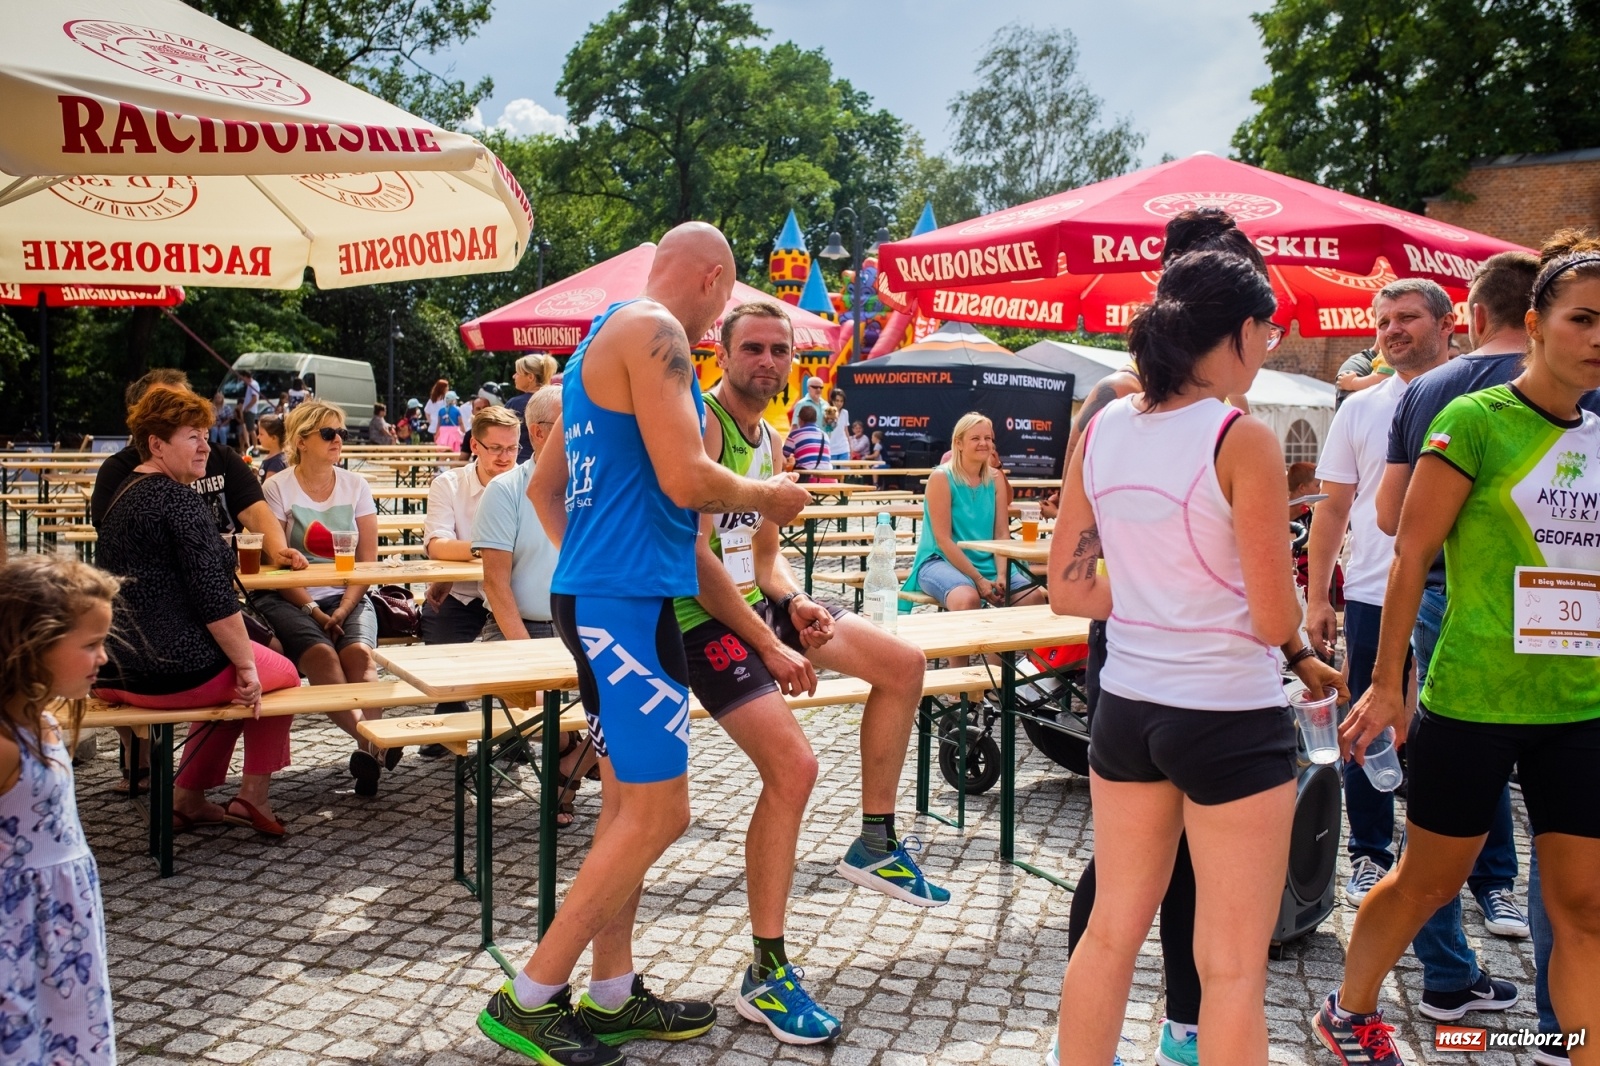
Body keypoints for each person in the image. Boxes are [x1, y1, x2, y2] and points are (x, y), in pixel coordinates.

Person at [483, 222, 811, 1065]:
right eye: (723, 306)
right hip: (624, 606)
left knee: (631, 810)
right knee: (662, 810)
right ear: (710, 278)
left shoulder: (600, 340)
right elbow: (687, 480)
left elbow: (548, 488)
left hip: (616, 595)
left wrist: (590, 565)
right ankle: (528, 998)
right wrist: (769, 495)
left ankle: (613, 992)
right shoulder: (656, 332)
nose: (713, 328)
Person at [1315, 242, 1600, 1066]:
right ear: (1537, 323)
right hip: (1475, 699)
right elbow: (1408, 553)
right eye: (1581, 319)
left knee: (1583, 908)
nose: (1596, 337)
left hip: (1580, 707)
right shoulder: (1472, 420)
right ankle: (1350, 1012)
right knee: (1429, 881)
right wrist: (1387, 685)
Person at [1048, 249, 1326, 1066]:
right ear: (1242, 333)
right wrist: (1304, 636)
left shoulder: (1104, 427)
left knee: (1109, 934)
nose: (1269, 345)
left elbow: (1068, 589)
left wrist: (1147, 593)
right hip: (1228, 716)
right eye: (1269, 333)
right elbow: (1276, 617)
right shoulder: (1241, 438)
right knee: (1231, 970)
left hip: (1129, 706)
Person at [673, 301, 942, 1045]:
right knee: (795, 769)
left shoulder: (770, 436)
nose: (767, 360)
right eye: (752, 348)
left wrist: (793, 604)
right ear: (720, 355)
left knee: (903, 663)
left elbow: (763, 557)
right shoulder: (705, 423)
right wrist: (769, 640)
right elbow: (695, 562)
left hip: (756, 611)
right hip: (698, 623)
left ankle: (877, 841)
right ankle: (766, 973)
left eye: (779, 350)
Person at [92, 387, 301, 835]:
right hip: (165, 671)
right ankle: (252, 798)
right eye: (193, 436)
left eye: (207, 435)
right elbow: (214, 601)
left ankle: (189, 798)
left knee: (235, 682)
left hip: (113, 670)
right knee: (277, 675)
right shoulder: (179, 500)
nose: (206, 445)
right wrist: (247, 665)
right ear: (156, 444)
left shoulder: (124, 494)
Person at [0, 555, 122, 1066]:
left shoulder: (43, 717)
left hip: (63, 927)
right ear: (33, 646)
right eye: (90, 645)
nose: (104, 658)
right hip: (16, 932)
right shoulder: (5, 746)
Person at [472, 385, 595, 826]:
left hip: (578, 627)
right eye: (573, 424)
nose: (586, 431)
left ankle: (567, 767)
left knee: (633, 702)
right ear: (541, 433)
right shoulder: (506, 490)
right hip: (514, 627)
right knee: (544, 703)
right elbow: (496, 584)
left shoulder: (590, 484)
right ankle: (572, 765)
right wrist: (526, 652)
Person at [254, 402, 389, 796]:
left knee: (362, 658)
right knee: (322, 658)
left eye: (341, 433)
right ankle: (374, 743)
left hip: (348, 592)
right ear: (302, 441)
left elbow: (367, 559)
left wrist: (345, 607)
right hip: (290, 598)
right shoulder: (277, 486)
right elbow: (274, 565)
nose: (338, 441)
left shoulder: (355, 485)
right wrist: (312, 608)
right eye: (328, 434)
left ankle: (370, 748)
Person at [413, 405, 522, 755]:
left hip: (511, 592)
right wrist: (491, 551)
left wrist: (473, 553)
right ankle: (450, 716)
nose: (506, 457)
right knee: (440, 635)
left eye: (513, 448)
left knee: (518, 655)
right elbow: (436, 544)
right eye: (496, 448)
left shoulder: (529, 483)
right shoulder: (448, 483)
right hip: (462, 592)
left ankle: (516, 729)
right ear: (475, 446)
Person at [901, 413, 1044, 626]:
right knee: (967, 599)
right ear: (958, 443)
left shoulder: (996, 479)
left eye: (988, 438)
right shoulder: (941, 477)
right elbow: (943, 540)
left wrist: (1003, 575)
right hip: (941, 560)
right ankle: (962, 661)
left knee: (1033, 598)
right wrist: (979, 580)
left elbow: (1002, 534)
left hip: (990, 561)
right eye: (975, 438)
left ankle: (1001, 658)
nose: (984, 443)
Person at [508, 352, 559, 462]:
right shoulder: (559, 401)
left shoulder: (514, 404)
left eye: (517, 373)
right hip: (554, 463)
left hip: (520, 461)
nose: (514, 376)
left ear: (530, 377)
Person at [780, 404, 831, 471]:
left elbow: (783, 456)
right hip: (829, 477)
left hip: (807, 478)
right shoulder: (825, 435)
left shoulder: (794, 435)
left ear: (800, 420)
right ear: (815, 420)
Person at [256, 414, 288, 479]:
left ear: (273, 438)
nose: (258, 437)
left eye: (261, 434)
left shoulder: (276, 463)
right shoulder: (273, 457)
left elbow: (268, 488)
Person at [826, 386, 851, 462]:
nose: (839, 403)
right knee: (832, 473)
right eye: (837, 400)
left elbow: (846, 430)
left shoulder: (845, 412)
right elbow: (827, 429)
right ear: (832, 400)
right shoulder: (827, 411)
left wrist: (850, 446)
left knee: (844, 472)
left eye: (841, 401)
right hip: (831, 448)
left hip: (843, 448)